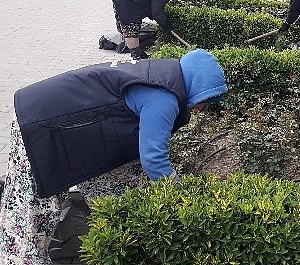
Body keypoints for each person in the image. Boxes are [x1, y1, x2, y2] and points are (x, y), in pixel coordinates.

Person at [0, 49, 227, 264]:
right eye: (206, 100)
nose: (202, 108)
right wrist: (182, 199)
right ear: (197, 88)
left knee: (124, 182)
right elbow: (153, 158)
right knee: (33, 208)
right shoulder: (163, 99)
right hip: (40, 125)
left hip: (68, 126)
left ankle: (116, 239)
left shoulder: (161, 75)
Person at [110, 0, 190, 60]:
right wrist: (165, 26)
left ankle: (135, 49)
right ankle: (136, 54)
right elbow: (156, 12)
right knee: (131, 22)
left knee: (129, 21)